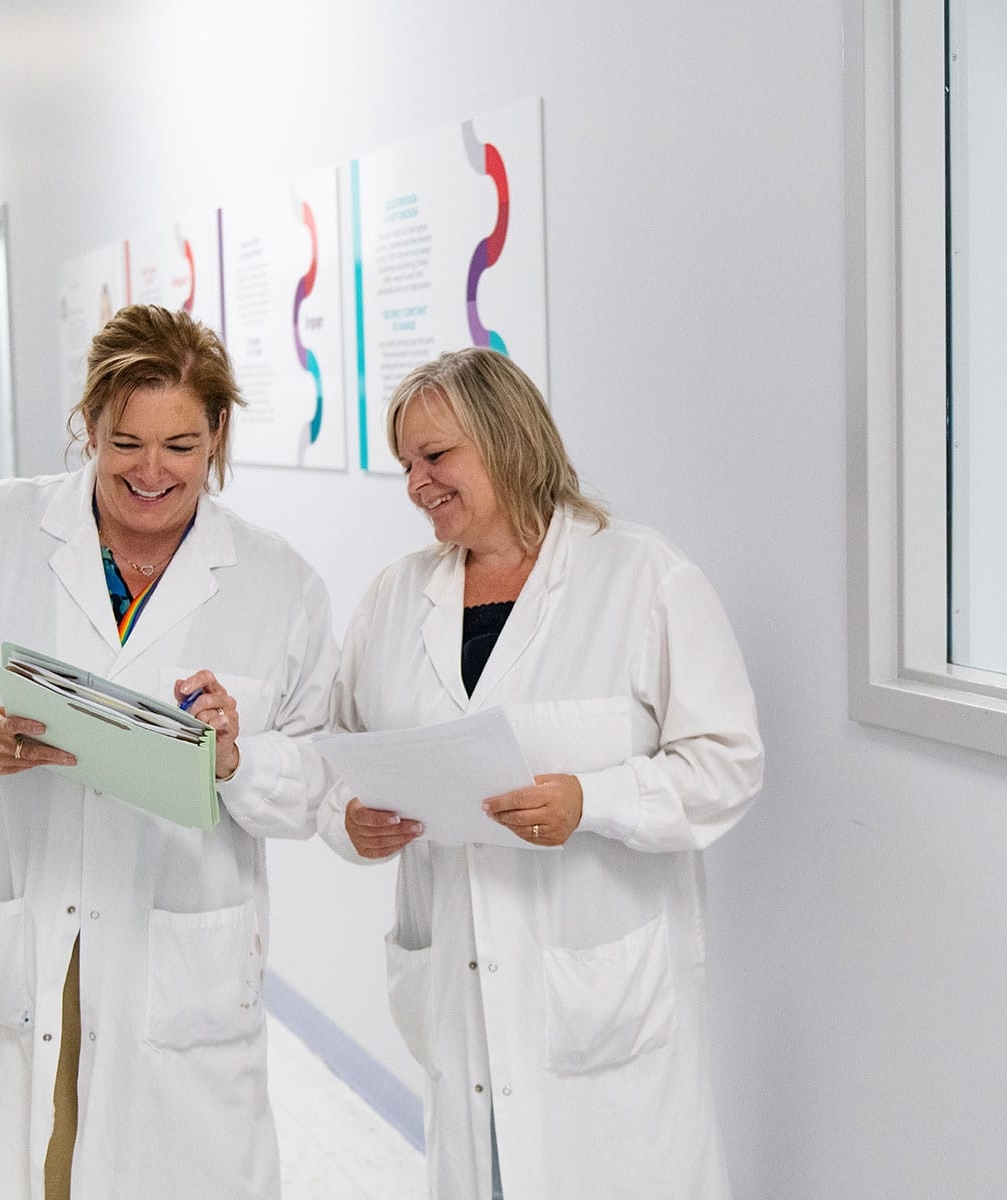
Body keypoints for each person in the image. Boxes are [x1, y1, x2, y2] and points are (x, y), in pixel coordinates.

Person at [0, 304, 339, 1200]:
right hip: (16, 950)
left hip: (174, 971)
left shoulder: (281, 586)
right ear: (89, 424)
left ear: (220, 435)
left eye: (181, 446)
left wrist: (235, 758)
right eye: (125, 443)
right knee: (19, 1165)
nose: (151, 472)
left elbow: (315, 788)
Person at [320, 347, 764, 1200]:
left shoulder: (644, 578)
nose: (416, 483)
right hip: (458, 990)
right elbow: (339, 751)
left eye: (435, 457)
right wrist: (350, 817)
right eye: (406, 464)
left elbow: (726, 763)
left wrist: (592, 801)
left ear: (507, 439)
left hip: (600, 1007)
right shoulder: (391, 598)